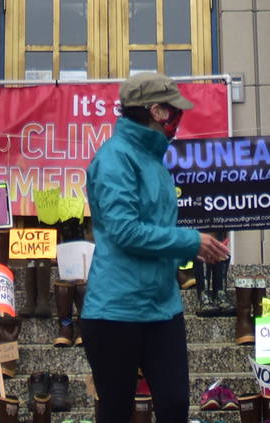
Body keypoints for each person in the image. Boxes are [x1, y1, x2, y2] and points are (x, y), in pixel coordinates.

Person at [80, 73, 230, 423]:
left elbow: (155, 235)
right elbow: (125, 231)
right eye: (174, 110)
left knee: (175, 406)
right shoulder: (115, 158)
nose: (179, 118)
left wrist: (192, 251)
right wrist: (190, 241)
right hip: (114, 311)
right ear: (157, 112)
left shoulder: (155, 163)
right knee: (116, 411)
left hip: (162, 308)